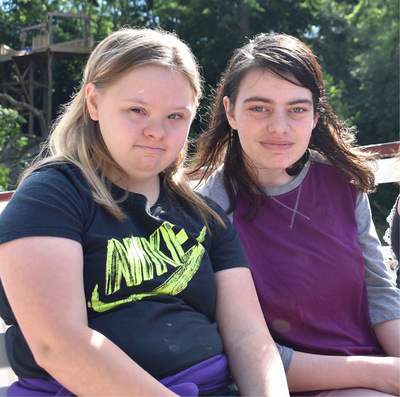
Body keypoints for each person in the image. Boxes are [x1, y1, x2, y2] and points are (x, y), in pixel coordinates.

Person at [0, 27, 289, 397]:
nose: (156, 131)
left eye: (175, 116)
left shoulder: (206, 218)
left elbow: (249, 337)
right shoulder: (52, 195)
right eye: (137, 110)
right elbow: (59, 343)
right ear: (93, 102)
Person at [192, 32, 400, 396]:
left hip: (377, 365)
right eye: (259, 108)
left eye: (297, 109)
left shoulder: (341, 181)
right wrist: (377, 375)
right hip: (292, 381)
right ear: (230, 111)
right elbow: (239, 348)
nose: (279, 127)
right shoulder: (207, 207)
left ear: (316, 116)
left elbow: (380, 293)